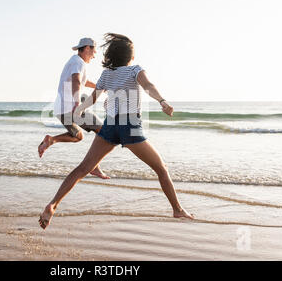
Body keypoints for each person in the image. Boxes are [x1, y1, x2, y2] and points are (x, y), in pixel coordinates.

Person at [39, 33, 194, 229]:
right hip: (130, 129)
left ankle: (53, 204)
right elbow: (148, 86)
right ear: (130, 56)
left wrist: (78, 110)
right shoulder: (134, 70)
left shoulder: (106, 74)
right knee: (161, 169)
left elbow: (93, 98)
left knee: (82, 169)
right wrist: (162, 101)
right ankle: (177, 209)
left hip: (110, 127)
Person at [38, 37, 110, 179]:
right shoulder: (78, 62)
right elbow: (76, 80)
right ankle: (94, 166)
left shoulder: (74, 62)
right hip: (71, 106)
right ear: (87, 48)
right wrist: (77, 104)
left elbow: (82, 81)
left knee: (77, 136)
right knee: (104, 132)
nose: (94, 55)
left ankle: (51, 140)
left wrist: (99, 86)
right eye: (94, 51)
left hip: (61, 109)